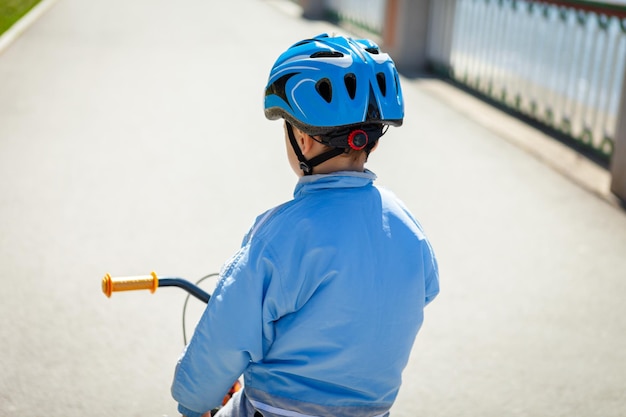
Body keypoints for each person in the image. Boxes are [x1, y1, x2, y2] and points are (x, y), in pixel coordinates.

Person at [171, 33, 440, 417]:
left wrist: (191, 401)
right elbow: (423, 291)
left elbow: (224, 339)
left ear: (303, 140)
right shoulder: (408, 228)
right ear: (373, 142)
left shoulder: (280, 236)